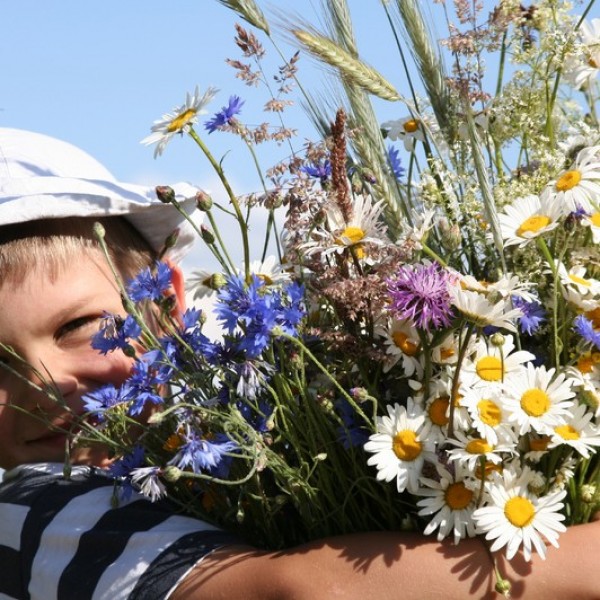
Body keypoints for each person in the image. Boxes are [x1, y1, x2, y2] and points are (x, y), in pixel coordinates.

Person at [0, 127, 599, 600]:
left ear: (166, 302)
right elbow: (293, 591)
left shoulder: (245, 423)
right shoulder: (28, 514)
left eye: (80, 328)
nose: (44, 387)